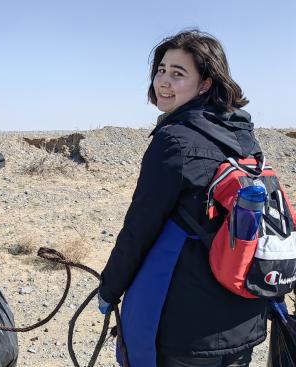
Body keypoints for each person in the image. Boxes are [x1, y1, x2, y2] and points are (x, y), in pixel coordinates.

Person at [99, 30, 267, 367]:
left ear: (205, 84)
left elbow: (139, 229)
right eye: (162, 69)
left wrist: (109, 289)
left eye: (178, 73)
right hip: (243, 319)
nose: (163, 81)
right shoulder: (243, 135)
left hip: (184, 329)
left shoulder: (175, 140)